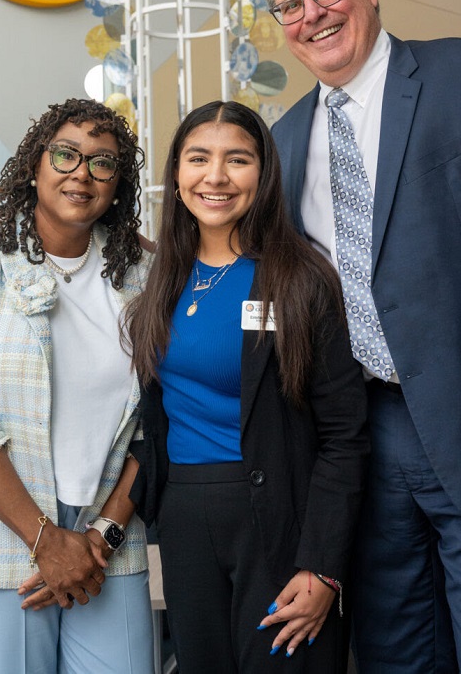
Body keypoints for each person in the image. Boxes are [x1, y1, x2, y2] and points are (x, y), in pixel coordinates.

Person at [260, 0, 461, 674]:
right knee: (397, 647)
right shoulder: (284, 140)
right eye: (290, 5)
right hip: (364, 434)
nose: (313, 14)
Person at [0, 99, 155, 674]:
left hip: (107, 540)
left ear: (118, 185)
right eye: (65, 154)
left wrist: (103, 533)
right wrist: (46, 541)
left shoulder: (142, 274)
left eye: (102, 163)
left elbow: (157, 418)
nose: (81, 172)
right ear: (34, 164)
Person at [125, 101, 369, 674]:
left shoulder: (301, 278)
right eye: (198, 158)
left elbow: (346, 436)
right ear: (177, 173)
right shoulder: (160, 278)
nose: (216, 176)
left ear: (264, 174)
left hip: (275, 517)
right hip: (183, 518)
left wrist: (323, 565)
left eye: (237, 159)